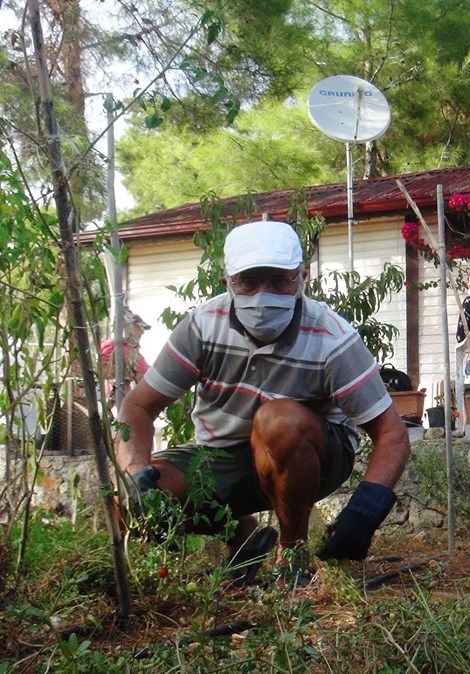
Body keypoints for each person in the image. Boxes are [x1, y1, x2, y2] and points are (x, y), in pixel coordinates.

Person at [115, 220, 410, 586]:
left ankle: (292, 553)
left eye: (278, 281)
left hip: (308, 453)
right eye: (249, 282)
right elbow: (138, 407)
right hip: (221, 456)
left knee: (277, 421)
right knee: (128, 503)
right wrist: (137, 471)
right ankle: (243, 537)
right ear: (228, 282)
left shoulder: (332, 339)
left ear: (303, 277)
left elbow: (391, 433)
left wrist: (366, 510)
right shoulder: (204, 326)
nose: (262, 295)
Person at [99, 308, 150, 401]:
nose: (142, 333)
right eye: (140, 328)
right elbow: (144, 380)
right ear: (128, 327)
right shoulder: (129, 351)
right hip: (125, 400)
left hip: (107, 399)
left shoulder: (106, 346)